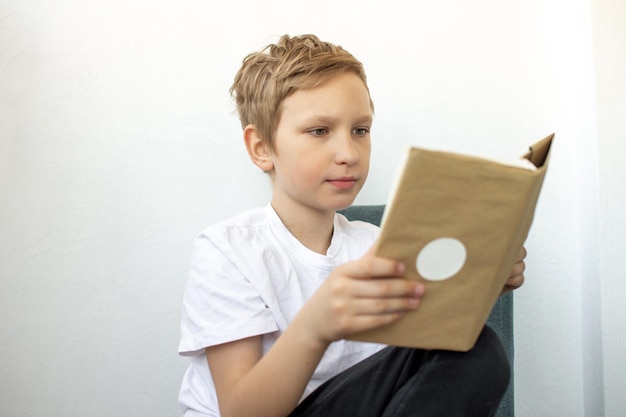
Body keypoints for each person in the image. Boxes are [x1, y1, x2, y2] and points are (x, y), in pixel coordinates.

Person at [178, 34, 526, 417]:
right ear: (261, 147)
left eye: (360, 130)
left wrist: (476, 281)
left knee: (480, 349)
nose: (348, 153)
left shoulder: (378, 245)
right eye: (319, 131)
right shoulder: (228, 250)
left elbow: (416, 363)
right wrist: (317, 324)